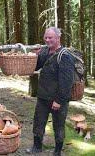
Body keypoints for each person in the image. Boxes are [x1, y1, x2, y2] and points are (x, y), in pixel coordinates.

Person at [26, 27, 74, 156]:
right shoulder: (45, 51)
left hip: (58, 99)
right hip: (43, 97)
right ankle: (37, 147)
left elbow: (67, 82)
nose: (47, 40)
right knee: (38, 122)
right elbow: (36, 67)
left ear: (58, 38)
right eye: (45, 37)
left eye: (50, 37)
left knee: (58, 126)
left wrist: (59, 101)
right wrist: (35, 56)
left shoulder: (65, 56)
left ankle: (57, 151)